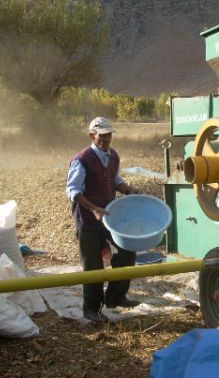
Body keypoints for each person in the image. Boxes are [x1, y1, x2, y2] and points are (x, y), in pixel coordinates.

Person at [66, 116, 140, 322]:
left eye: (109, 135)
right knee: (92, 265)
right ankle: (91, 308)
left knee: (127, 250)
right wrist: (94, 209)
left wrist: (130, 190)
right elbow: (73, 191)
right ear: (92, 136)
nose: (106, 139)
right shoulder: (81, 159)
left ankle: (115, 297)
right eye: (102, 136)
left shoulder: (113, 156)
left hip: (110, 215)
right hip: (88, 219)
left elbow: (116, 181)